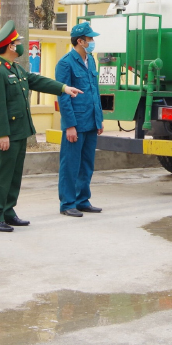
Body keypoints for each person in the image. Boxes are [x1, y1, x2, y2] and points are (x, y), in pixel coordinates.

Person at [0, 20, 81, 232]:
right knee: (1, 176)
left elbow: (37, 81)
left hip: (20, 132)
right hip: (6, 134)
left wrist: (64, 88)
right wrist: (2, 134)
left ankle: (8, 212)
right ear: (10, 46)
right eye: (18, 42)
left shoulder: (16, 69)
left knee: (14, 174)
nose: (21, 45)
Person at [56, 22, 105, 217]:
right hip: (76, 123)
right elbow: (63, 96)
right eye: (90, 39)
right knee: (70, 164)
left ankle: (82, 200)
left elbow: (95, 91)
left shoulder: (91, 60)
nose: (92, 42)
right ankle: (68, 203)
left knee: (86, 163)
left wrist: (99, 119)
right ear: (80, 41)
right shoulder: (65, 63)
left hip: (91, 121)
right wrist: (70, 126)